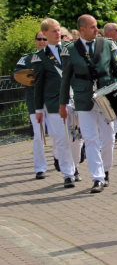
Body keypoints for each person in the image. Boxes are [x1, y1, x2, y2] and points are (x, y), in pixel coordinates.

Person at [59, 15, 117, 193]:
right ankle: (97, 177)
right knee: (90, 139)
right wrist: (62, 104)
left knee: (108, 137)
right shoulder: (70, 49)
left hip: (106, 97)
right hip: (83, 99)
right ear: (82, 29)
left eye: (96, 26)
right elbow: (65, 79)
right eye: (92, 27)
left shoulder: (106, 44)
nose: (97, 30)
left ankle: (106, 170)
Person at [33, 19, 84, 184]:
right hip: (55, 103)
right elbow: (38, 85)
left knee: (77, 140)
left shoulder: (71, 49)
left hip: (75, 101)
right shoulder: (39, 56)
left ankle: (74, 166)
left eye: (59, 30)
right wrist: (39, 109)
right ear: (45, 33)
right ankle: (68, 174)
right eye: (54, 31)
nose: (58, 33)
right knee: (62, 139)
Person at [17, 31, 50, 180]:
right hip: (34, 100)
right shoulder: (26, 58)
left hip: (52, 99)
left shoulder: (54, 57)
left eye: (45, 39)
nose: (42, 41)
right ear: (35, 41)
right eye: (39, 39)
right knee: (38, 135)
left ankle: (60, 161)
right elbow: (15, 75)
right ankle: (40, 168)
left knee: (57, 135)